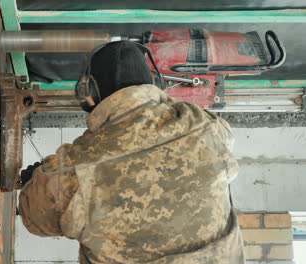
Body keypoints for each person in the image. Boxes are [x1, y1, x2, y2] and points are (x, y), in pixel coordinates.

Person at [18, 41, 245, 264]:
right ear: (155, 82)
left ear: (90, 92)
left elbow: (34, 218)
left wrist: (37, 179)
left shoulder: (76, 170)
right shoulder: (207, 129)